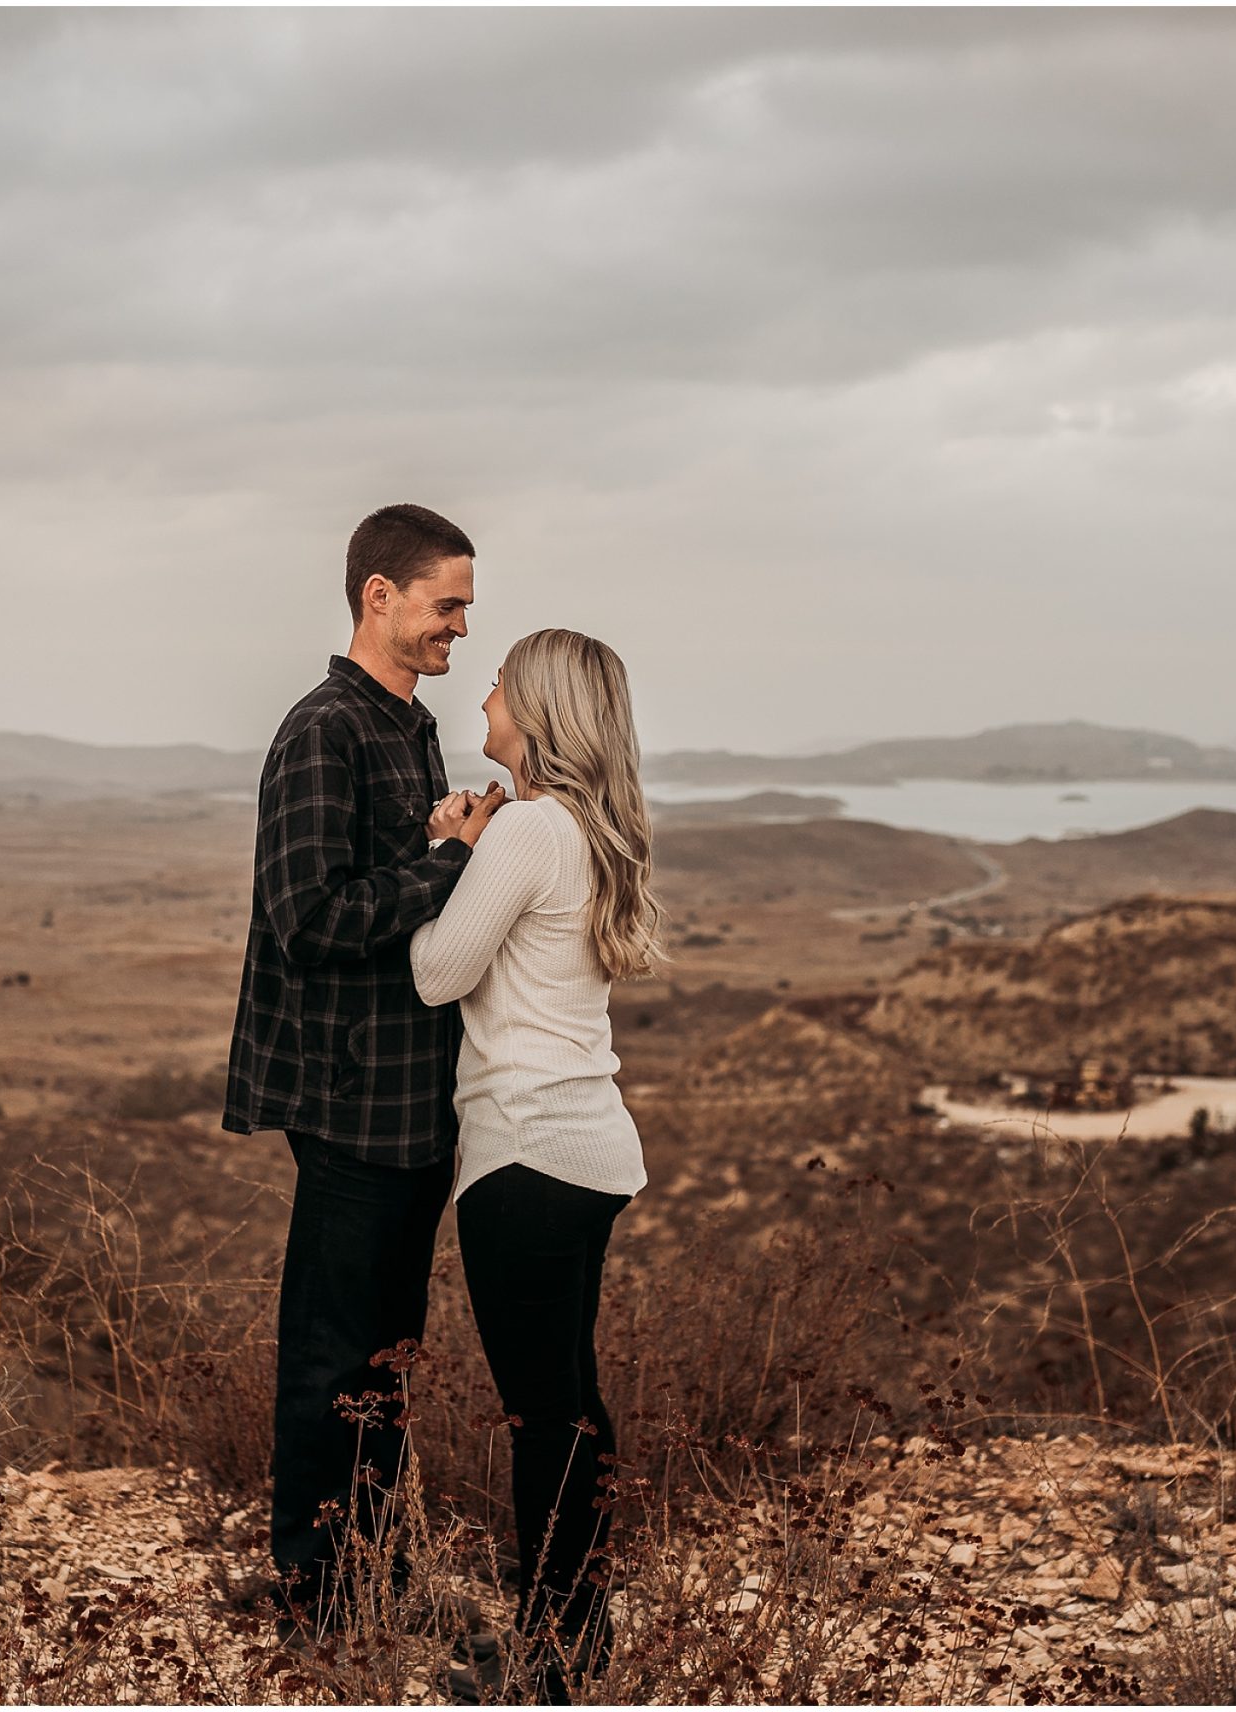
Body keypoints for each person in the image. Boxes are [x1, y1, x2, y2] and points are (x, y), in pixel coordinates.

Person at [222, 501, 504, 1629]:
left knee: (388, 1357)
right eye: (447, 605)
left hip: (413, 1100)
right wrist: (449, 860)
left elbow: (390, 882)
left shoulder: (410, 726)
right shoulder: (323, 730)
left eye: (466, 609)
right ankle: (312, 1595)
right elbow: (307, 915)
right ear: (377, 595)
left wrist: (442, 840)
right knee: (332, 1355)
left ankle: (370, 1581)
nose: (461, 628)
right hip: (348, 1098)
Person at [409, 628, 664, 1703]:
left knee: (543, 1417)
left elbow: (436, 973)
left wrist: (449, 850)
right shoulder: (589, 831)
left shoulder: (522, 831)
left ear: (542, 711)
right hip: (587, 1152)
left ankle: (552, 1667)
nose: (485, 696)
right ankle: (576, 1642)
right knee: (573, 1405)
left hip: (523, 1153)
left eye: (503, 683)